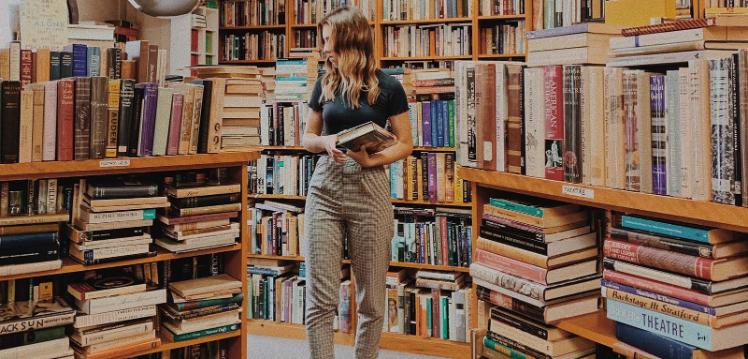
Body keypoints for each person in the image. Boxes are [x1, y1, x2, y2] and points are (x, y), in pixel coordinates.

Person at [300, 6, 413, 359]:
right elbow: (307, 137)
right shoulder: (324, 83)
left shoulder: (390, 87)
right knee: (321, 298)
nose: (322, 49)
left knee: (372, 299)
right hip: (325, 189)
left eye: (327, 40)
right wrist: (326, 143)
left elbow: (406, 143)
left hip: (371, 189)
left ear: (348, 39)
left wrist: (373, 159)